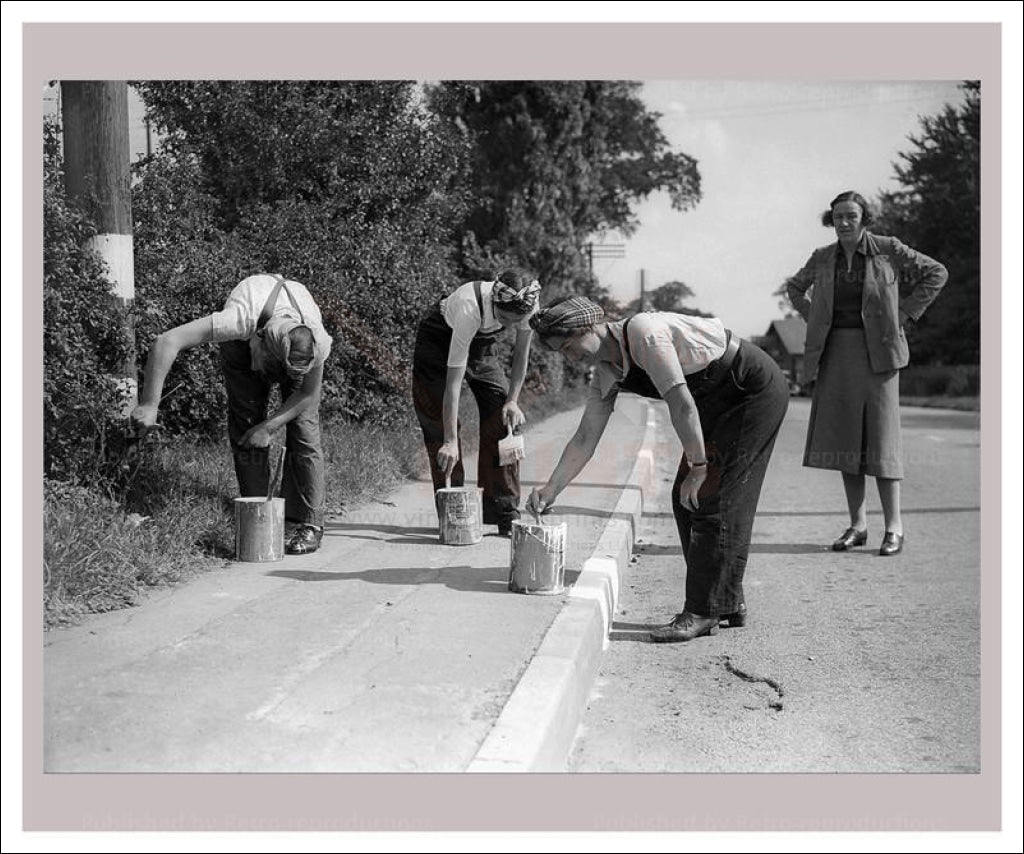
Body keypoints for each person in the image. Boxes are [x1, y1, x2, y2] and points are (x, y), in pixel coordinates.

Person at [525, 297, 789, 643]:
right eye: (561, 352)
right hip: (713, 399)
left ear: (590, 328)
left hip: (748, 388)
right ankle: (725, 600)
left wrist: (698, 466)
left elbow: (681, 403)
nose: (570, 357)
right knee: (685, 500)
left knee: (711, 496)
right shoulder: (606, 369)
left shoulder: (644, 335)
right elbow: (585, 438)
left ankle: (703, 611)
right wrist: (551, 489)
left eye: (569, 347)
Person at [786, 191, 947, 557]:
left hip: (880, 353)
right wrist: (815, 318)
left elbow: (937, 273)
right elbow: (795, 288)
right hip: (835, 353)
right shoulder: (822, 257)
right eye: (838, 216)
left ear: (864, 218)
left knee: (882, 441)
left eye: (851, 215)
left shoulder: (886, 248)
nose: (844, 222)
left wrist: (906, 314)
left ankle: (895, 528)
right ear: (832, 220)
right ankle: (858, 526)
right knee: (847, 442)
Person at [130, 273, 333, 555]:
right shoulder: (239, 320)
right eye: (266, 366)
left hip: (291, 342)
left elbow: (308, 395)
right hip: (245, 338)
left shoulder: (316, 342)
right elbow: (167, 341)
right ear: (258, 340)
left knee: (304, 428)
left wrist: (270, 427)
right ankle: (258, 517)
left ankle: (308, 524)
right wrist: (150, 404)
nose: (264, 375)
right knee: (247, 423)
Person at [412, 269, 540, 536]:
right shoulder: (469, 308)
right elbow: (453, 384)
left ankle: (504, 510)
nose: (509, 325)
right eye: (504, 318)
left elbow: (521, 357)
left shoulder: (529, 304)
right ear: (495, 301)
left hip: (482, 347)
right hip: (439, 341)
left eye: (516, 322)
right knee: (439, 426)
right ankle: (455, 511)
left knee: (504, 419)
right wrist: (450, 440)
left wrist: (513, 401)